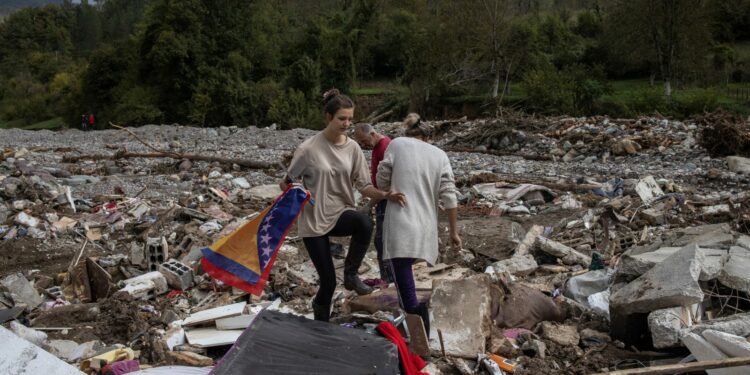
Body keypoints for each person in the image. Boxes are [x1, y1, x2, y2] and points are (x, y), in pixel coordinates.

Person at [280, 89, 406, 322]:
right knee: (327, 282)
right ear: (328, 117)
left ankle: (351, 274)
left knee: (364, 223)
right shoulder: (308, 149)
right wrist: (294, 189)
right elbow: (286, 183)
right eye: (342, 118)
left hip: (339, 213)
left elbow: (364, 186)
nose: (347, 124)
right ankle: (321, 323)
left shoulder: (353, 149)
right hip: (314, 220)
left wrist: (386, 194)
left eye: (350, 119)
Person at [376, 113, 461, 335]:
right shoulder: (440, 155)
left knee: (402, 273)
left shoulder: (397, 144)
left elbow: (382, 178)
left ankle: (416, 325)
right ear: (427, 136)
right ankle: (416, 322)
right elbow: (450, 196)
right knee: (407, 271)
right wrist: (454, 232)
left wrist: (389, 189)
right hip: (426, 228)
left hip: (401, 223)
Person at [352, 123, 391, 283]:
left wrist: (370, 204)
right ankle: (388, 278)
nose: (363, 145)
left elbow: (387, 185)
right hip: (382, 197)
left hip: (386, 200)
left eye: (364, 141)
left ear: (373, 133)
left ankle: (388, 280)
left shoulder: (384, 148)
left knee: (383, 241)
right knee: (381, 240)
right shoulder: (378, 147)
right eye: (360, 143)